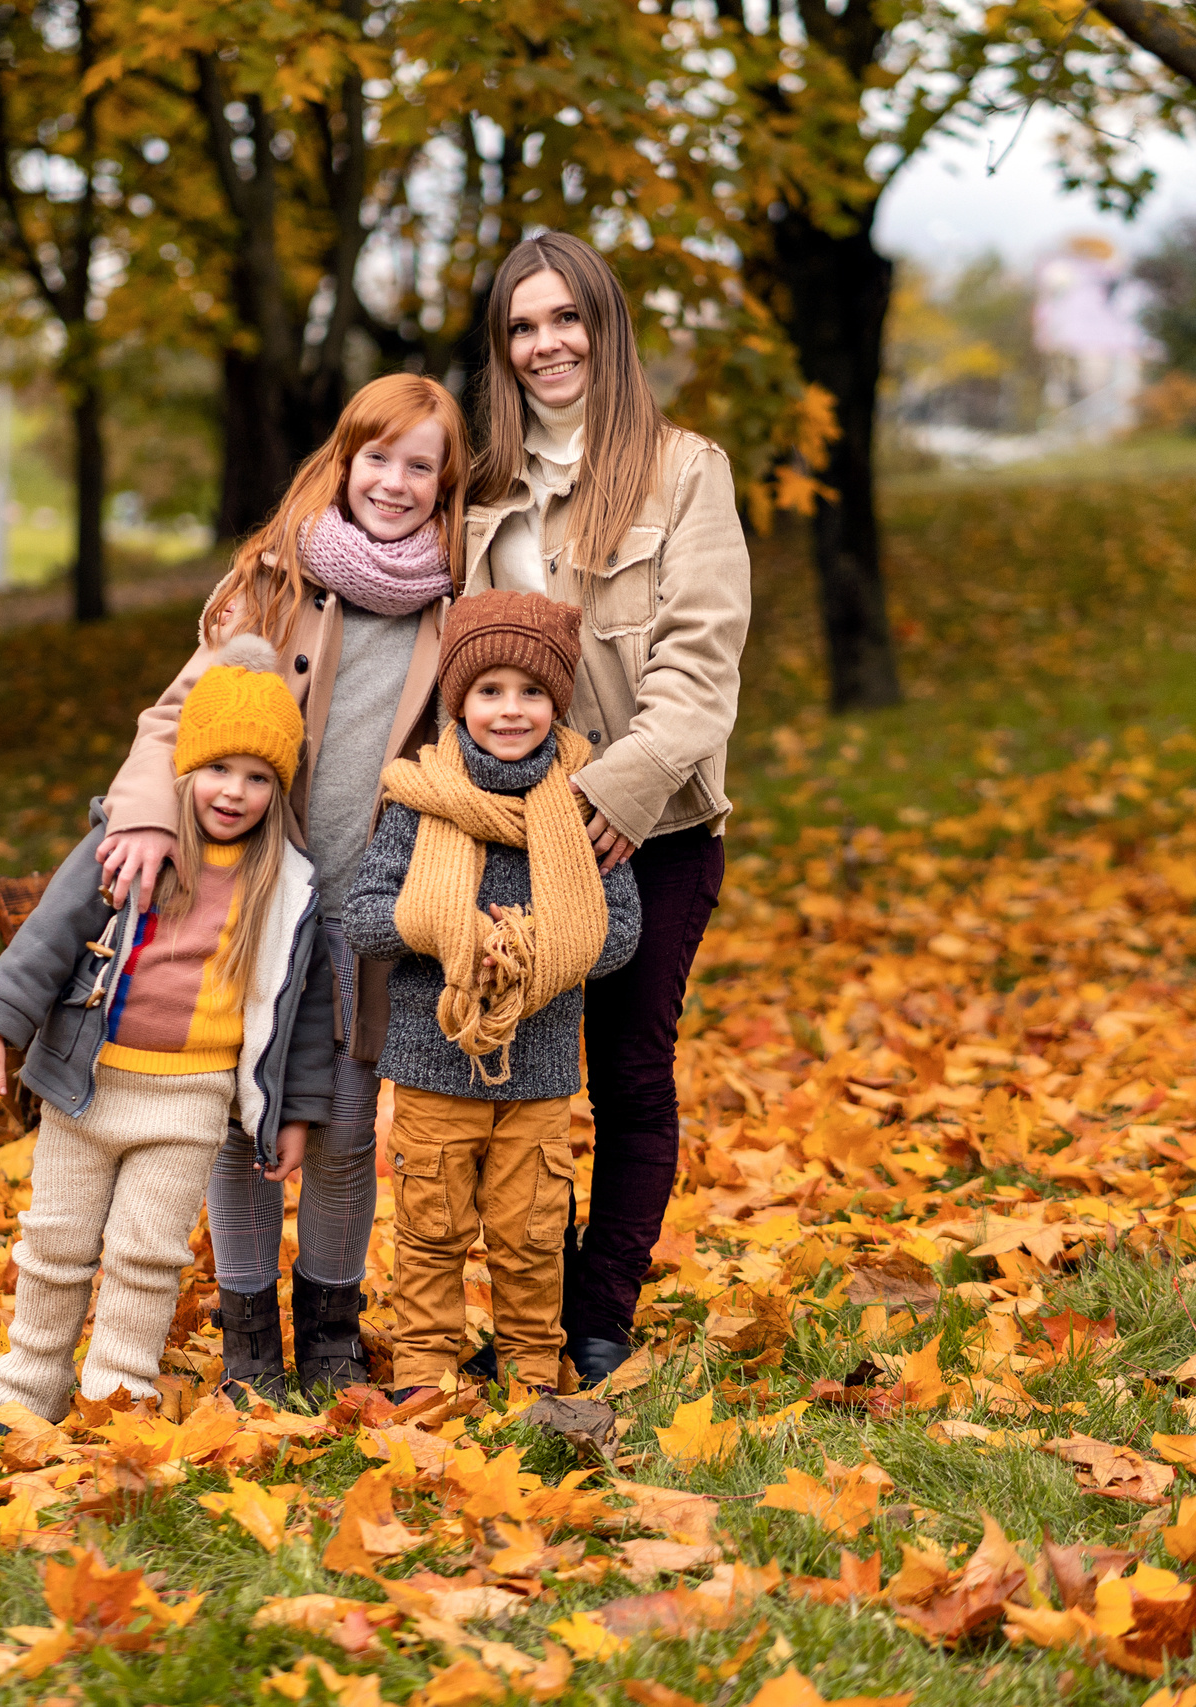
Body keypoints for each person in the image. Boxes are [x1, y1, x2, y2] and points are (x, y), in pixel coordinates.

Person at [97, 372, 467, 1395]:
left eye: (419, 466)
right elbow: (179, 716)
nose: (394, 482)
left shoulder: (454, 607)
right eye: (376, 457)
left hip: (367, 916)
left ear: (445, 487)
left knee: (346, 1130)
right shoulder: (271, 580)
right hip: (256, 902)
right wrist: (137, 814)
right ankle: (249, 1338)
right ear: (343, 462)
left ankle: (333, 1333)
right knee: (239, 1123)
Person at [459, 232, 750, 1387]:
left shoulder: (686, 471)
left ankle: (599, 1317)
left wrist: (613, 794)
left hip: (654, 832)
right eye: (522, 327)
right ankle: (527, 1325)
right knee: (525, 1088)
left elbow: (701, 672)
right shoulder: (478, 490)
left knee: (627, 1076)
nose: (545, 345)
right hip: (506, 834)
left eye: (564, 319)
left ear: (604, 326)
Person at [0, 640, 333, 1427]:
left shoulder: (287, 883)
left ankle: (115, 1392)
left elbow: (303, 1010)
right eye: (218, 769)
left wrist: (294, 1112)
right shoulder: (131, 850)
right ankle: (28, 1386)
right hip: (86, 1083)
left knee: (146, 1253)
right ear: (184, 767)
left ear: (279, 787)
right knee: (54, 1243)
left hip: (191, 1099)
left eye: (258, 776)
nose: (234, 792)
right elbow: (48, 938)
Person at [343, 590, 641, 1397]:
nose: (511, 711)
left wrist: (537, 947)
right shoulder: (418, 801)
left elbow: (618, 930)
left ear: (558, 702)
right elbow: (367, 916)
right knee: (432, 1229)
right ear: (459, 701)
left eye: (532, 693)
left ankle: (533, 1372)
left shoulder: (582, 804)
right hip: (435, 1067)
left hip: (538, 1074)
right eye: (490, 691)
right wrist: (453, 930)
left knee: (532, 1233)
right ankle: (425, 1372)